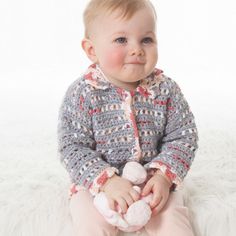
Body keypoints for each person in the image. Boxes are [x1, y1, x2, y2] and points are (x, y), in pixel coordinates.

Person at [57, 0, 198, 235]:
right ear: (92, 50)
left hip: (151, 181)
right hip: (98, 186)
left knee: (173, 220)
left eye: (146, 39)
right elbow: (72, 147)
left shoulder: (165, 90)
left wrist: (163, 176)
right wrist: (107, 181)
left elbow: (183, 137)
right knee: (89, 221)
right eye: (121, 40)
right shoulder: (83, 93)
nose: (137, 49)